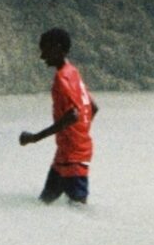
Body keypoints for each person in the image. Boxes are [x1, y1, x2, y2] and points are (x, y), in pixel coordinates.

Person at [19, 28, 99, 204]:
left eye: (45, 50)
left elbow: (73, 115)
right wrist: (79, 135)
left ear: (57, 48)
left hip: (73, 158)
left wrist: (35, 137)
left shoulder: (62, 79)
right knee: (43, 205)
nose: (42, 56)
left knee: (79, 212)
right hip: (66, 155)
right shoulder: (73, 72)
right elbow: (92, 107)